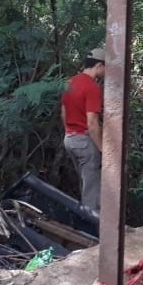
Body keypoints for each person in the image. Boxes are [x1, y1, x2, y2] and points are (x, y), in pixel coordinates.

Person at [61, 48, 106, 215]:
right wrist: (102, 149)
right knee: (91, 191)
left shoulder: (69, 82)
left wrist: (69, 132)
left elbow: (63, 114)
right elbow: (92, 122)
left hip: (70, 139)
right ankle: (92, 232)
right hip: (84, 141)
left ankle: (91, 221)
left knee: (86, 183)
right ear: (99, 65)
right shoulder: (92, 87)